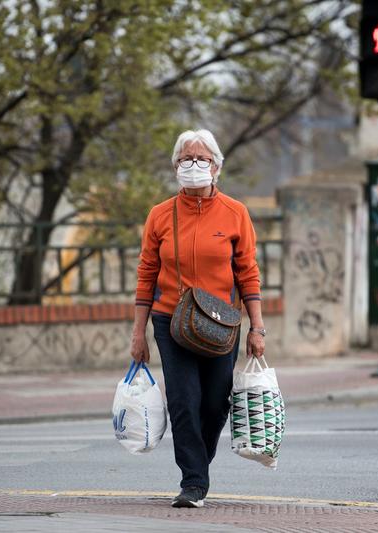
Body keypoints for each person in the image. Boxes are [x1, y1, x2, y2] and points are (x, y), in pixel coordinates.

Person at [130, 129, 266, 508]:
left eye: (201, 159)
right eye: (186, 159)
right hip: (171, 322)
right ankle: (193, 482)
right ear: (175, 166)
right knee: (183, 401)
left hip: (222, 325)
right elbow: (146, 276)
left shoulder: (235, 213)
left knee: (215, 403)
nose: (193, 165)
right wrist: (138, 333)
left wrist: (257, 327)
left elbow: (248, 274)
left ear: (216, 167)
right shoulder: (159, 215)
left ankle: (197, 466)